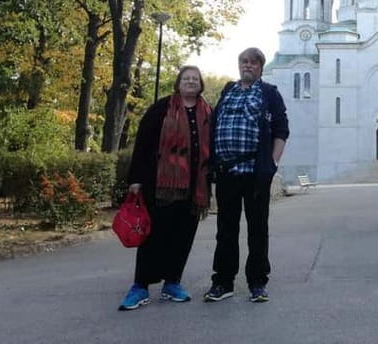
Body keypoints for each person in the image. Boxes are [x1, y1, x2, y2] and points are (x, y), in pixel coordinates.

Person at [118, 65, 212, 311]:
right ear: (178, 83)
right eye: (186, 78)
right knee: (154, 236)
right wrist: (136, 180)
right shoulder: (162, 108)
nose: (191, 82)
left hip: (194, 189)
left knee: (183, 236)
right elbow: (143, 143)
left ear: (200, 84)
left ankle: (172, 283)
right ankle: (140, 286)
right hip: (160, 186)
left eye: (195, 79)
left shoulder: (207, 112)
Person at [203, 47, 289, 303]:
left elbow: (281, 130)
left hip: (255, 172)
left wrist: (271, 164)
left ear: (261, 67)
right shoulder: (228, 90)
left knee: (257, 229)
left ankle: (257, 282)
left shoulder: (268, 93)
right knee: (225, 229)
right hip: (228, 171)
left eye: (253, 62)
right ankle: (223, 281)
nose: (247, 66)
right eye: (243, 61)